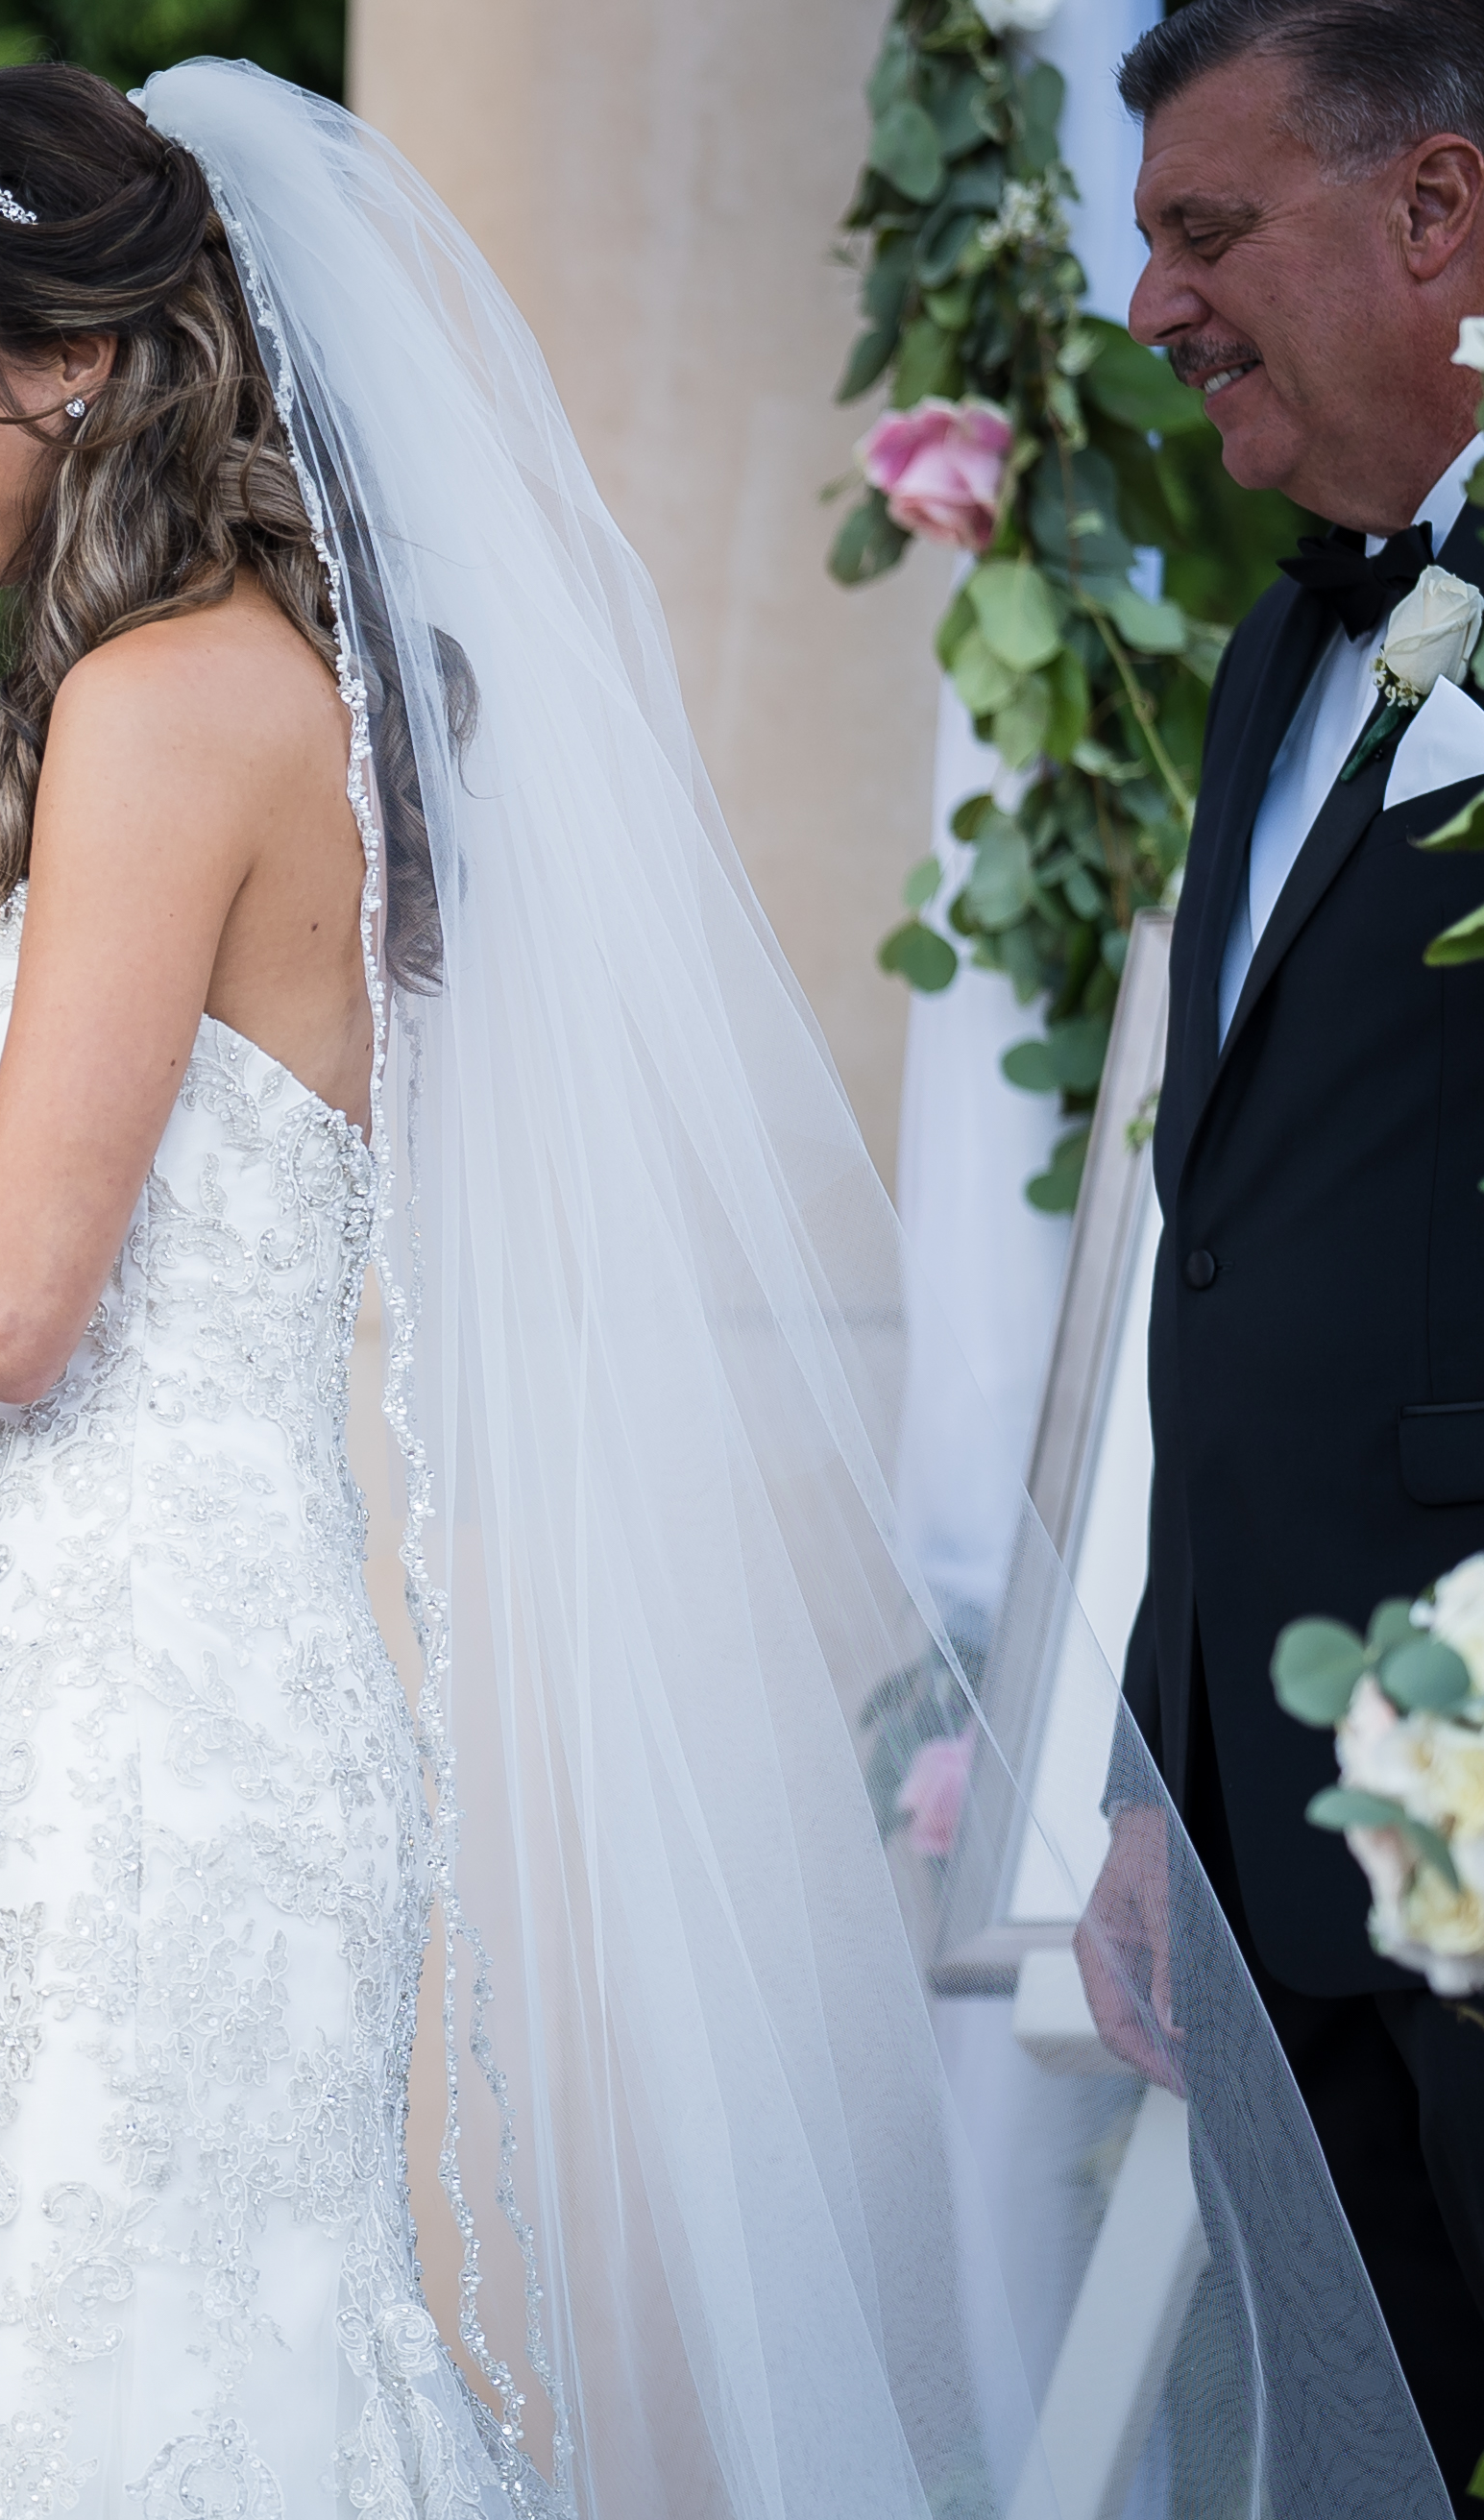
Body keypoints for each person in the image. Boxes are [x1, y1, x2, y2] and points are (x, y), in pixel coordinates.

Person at [0, 56, 1446, 2517]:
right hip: (98, 1681)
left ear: (63, 356)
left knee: (142, 2367)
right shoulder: (190, 686)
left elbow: (13, 1310)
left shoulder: (171, 699)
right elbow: (135, 1339)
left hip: (168, 1733)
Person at [1074, 0, 1484, 2498]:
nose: (1157, 306)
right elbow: (1226, 1252)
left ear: (1437, 211)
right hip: (1269, 1824)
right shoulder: (1273, 661)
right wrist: (1165, 1772)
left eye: (1207, 232)